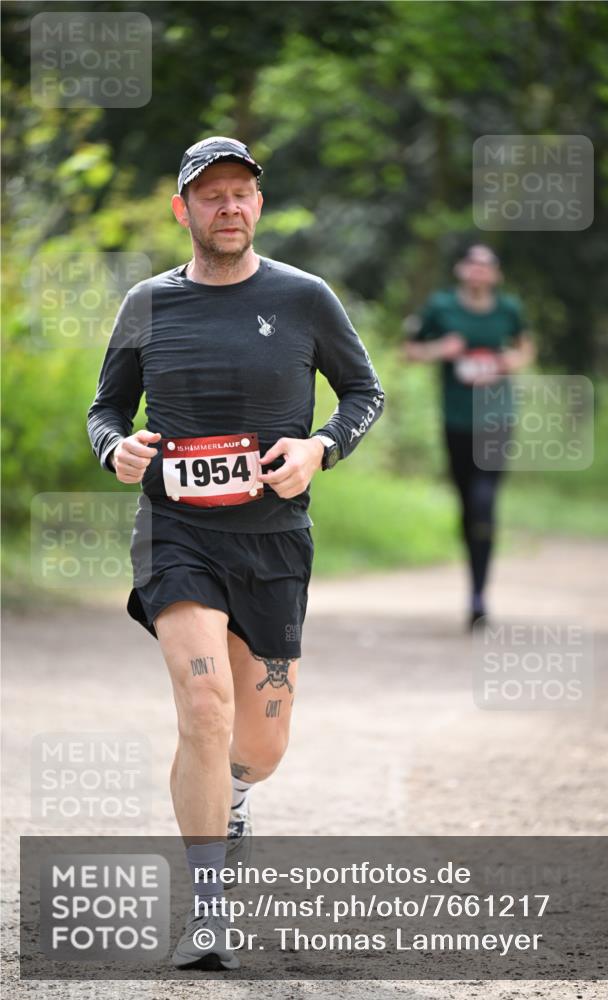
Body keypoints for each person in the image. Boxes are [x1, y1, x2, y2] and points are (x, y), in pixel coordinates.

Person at [87, 136, 385, 969]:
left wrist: (318, 449)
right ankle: (208, 911)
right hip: (177, 532)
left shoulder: (304, 298)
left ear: (258, 206)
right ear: (182, 209)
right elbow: (103, 410)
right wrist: (118, 449)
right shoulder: (148, 303)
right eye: (210, 194)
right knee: (205, 710)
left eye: (240, 194)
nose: (228, 207)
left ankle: (236, 798)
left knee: (259, 744)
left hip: (274, 541)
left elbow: (365, 391)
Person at [404, 244, 535, 629]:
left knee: (484, 501)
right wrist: (439, 349)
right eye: (472, 265)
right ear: (461, 270)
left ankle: (480, 595)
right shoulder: (441, 307)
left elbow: (526, 348)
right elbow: (409, 351)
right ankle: (474, 587)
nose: (479, 272)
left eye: (486, 267)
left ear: (496, 275)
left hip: (497, 418)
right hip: (457, 420)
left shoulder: (508, 309)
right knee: (467, 503)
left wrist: (511, 361)